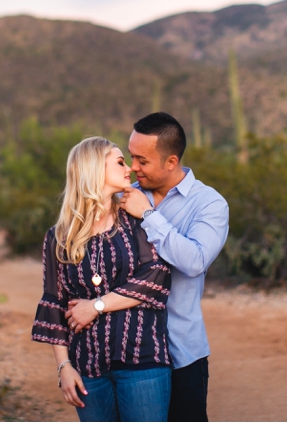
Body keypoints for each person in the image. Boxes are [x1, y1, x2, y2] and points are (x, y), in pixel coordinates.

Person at [68, 112, 228, 422]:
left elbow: (194, 262)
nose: (133, 167)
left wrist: (150, 216)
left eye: (143, 160)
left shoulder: (210, 204)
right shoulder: (120, 196)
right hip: (126, 353)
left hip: (179, 350)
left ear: (171, 162)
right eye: (130, 157)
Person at [31, 136, 173, 422]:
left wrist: (95, 306)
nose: (129, 169)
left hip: (142, 361)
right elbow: (55, 303)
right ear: (94, 169)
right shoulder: (59, 237)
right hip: (87, 367)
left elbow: (156, 277)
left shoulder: (137, 221)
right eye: (120, 162)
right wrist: (64, 367)